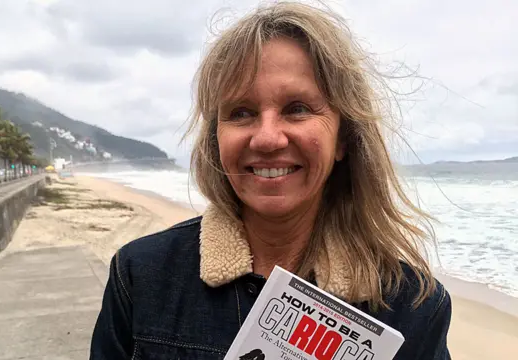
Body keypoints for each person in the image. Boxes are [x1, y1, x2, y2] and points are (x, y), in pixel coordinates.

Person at [89, 2, 452, 359]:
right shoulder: (141, 275)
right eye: (241, 112)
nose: (266, 138)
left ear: (343, 138)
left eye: (297, 109)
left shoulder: (413, 306)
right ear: (216, 140)